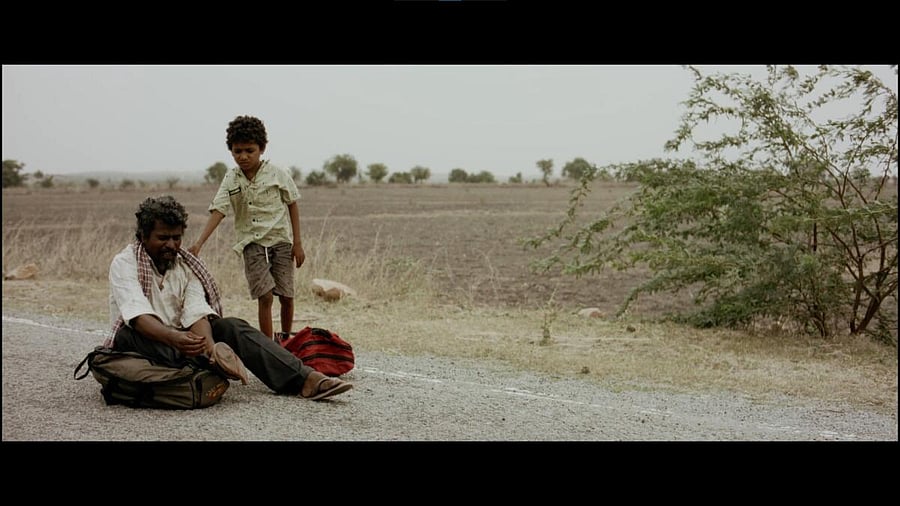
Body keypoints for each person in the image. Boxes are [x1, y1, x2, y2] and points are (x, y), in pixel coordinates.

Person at [105, 195, 352, 401]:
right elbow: (137, 317)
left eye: (176, 237)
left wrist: (210, 347)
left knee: (231, 326)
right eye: (163, 238)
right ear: (144, 237)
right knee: (131, 335)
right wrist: (179, 339)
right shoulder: (125, 263)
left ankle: (305, 378)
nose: (172, 245)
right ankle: (203, 364)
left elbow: (197, 311)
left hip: (184, 339)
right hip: (147, 338)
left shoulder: (185, 265)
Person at [188, 115, 303, 340]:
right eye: (237, 151)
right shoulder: (231, 179)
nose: (243, 156)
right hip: (251, 243)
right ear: (231, 150)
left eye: (249, 150)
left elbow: (293, 203)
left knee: (286, 295)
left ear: (262, 148)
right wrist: (199, 243)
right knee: (265, 296)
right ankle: (269, 347)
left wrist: (297, 243)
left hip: (280, 240)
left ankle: (287, 340)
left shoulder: (278, 174)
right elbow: (219, 210)